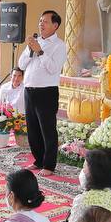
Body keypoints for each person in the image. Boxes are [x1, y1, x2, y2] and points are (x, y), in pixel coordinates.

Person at [18, 10, 68, 176]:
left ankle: (49, 165)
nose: (41, 24)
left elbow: (53, 68)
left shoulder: (59, 45)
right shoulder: (35, 42)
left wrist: (40, 51)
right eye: (40, 21)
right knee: (32, 130)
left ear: (55, 25)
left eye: (45, 21)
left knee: (47, 130)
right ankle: (39, 160)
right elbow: (21, 65)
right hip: (29, 90)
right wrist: (30, 49)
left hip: (47, 92)